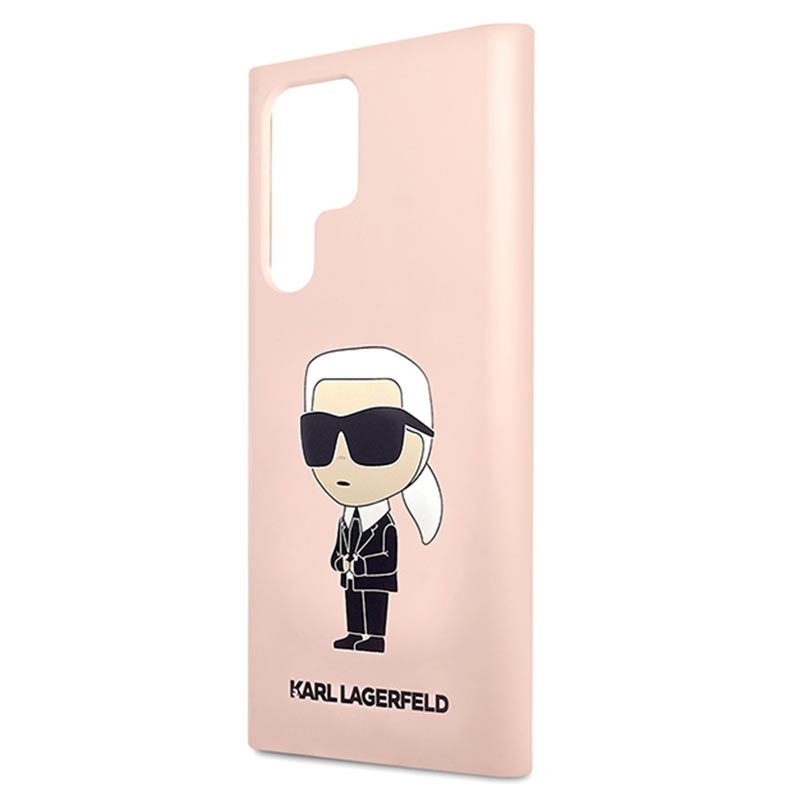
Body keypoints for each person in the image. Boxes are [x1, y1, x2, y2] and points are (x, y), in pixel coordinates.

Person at [300, 346, 443, 653]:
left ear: (420, 443)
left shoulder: (384, 525)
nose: (341, 455)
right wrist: (339, 561)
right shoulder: (346, 519)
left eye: (375, 436)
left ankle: (375, 638)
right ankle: (354, 633)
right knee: (353, 602)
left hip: (374, 578)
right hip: (351, 575)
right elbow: (339, 546)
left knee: (374, 605)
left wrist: (360, 563)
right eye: (320, 435)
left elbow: (387, 556)